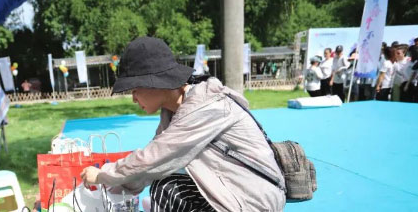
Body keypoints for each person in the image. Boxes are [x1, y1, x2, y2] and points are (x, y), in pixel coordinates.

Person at [80, 37, 285, 212]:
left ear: (155, 82)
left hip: (255, 200)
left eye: (134, 90)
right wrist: (114, 189)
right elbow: (151, 166)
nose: (133, 98)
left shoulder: (204, 106)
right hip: (233, 189)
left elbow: (152, 158)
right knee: (165, 185)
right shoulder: (174, 110)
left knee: (166, 188)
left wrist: (103, 175)